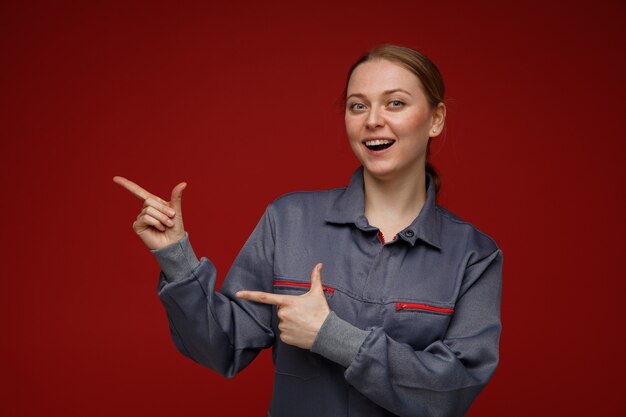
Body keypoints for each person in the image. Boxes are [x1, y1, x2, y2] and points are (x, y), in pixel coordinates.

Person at [114, 44, 503, 417]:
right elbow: (222, 346)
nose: (372, 120)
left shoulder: (474, 254)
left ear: (436, 118)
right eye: (358, 106)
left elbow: (452, 393)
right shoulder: (289, 220)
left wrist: (332, 336)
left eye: (395, 103)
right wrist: (176, 257)